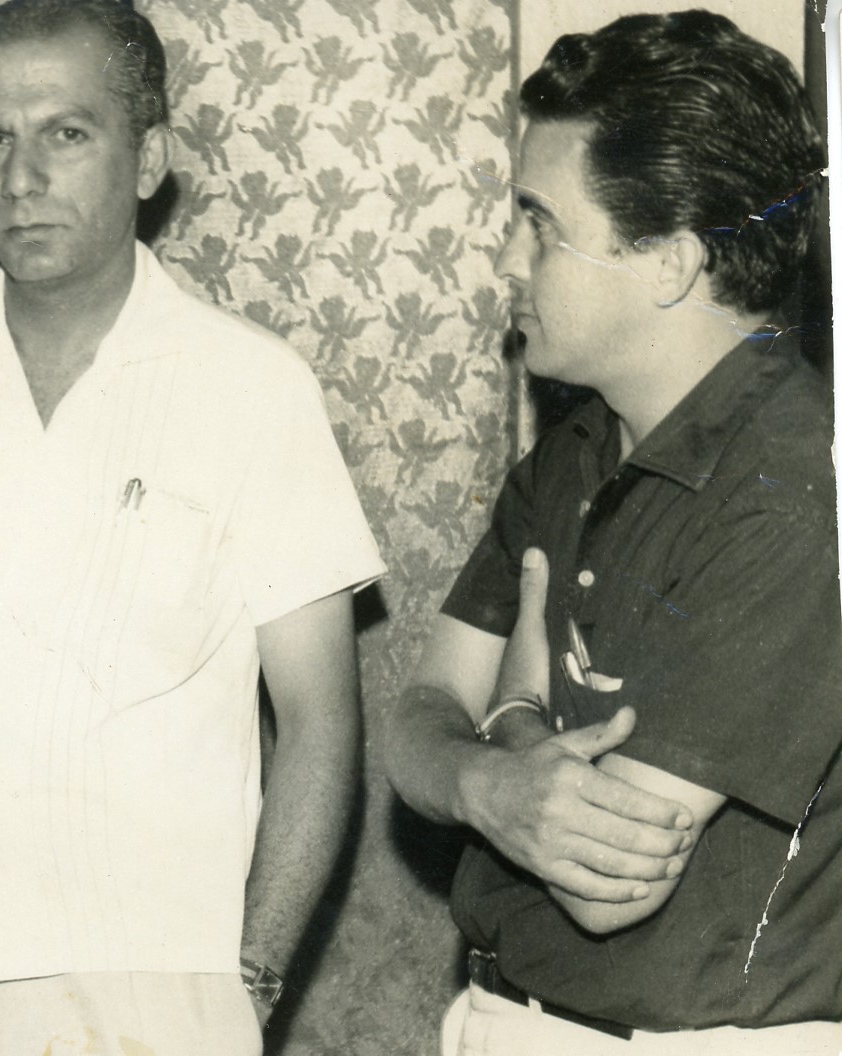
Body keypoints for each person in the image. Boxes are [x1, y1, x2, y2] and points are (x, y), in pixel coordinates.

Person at [0, 1, 385, 1051]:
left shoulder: (252, 389)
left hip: (155, 967)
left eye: (65, 134)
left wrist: (249, 977)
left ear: (148, 158)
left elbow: (319, 723)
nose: (20, 179)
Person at [384, 11, 839, 1055]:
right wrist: (495, 772)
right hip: (506, 1017)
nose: (505, 259)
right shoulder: (573, 451)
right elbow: (412, 722)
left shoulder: (799, 489)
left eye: (540, 226)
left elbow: (605, 884)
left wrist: (505, 715)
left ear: (669, 261)